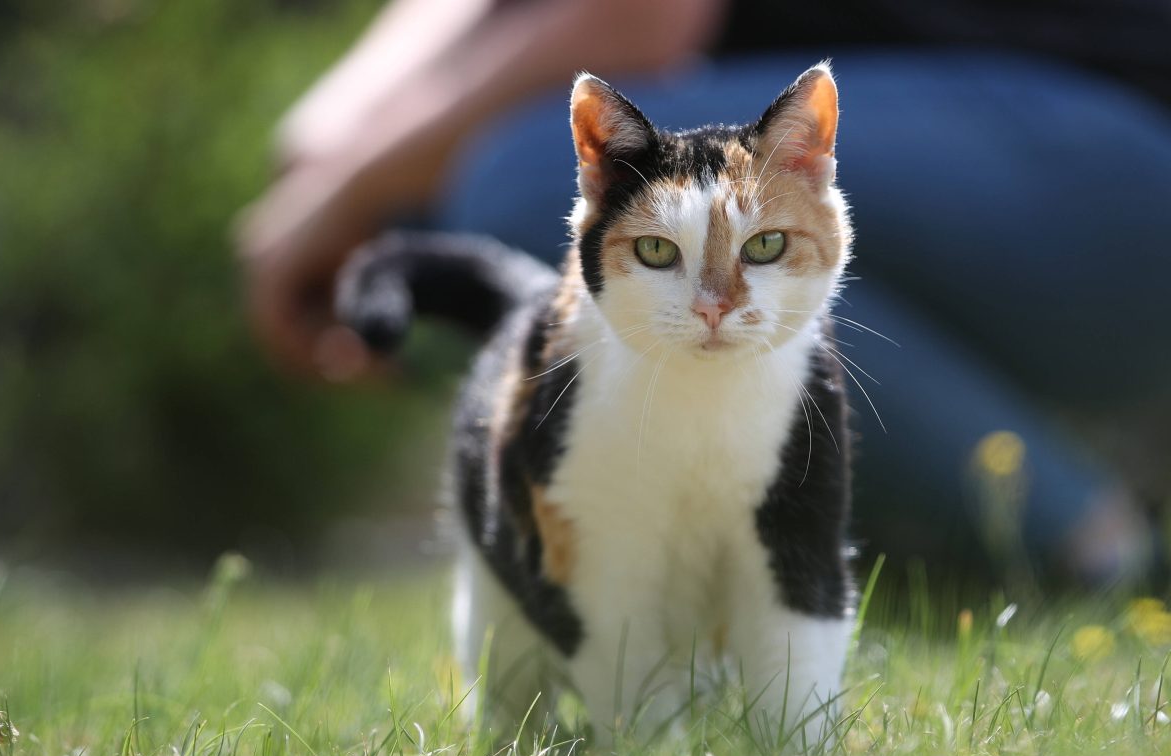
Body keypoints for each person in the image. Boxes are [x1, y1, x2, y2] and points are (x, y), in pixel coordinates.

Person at [237, 0, 1171, 585]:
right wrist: (334, 152)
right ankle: (877, 553)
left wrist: (351, 189)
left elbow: (636, 21)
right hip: (1039, 164)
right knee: (439, 210)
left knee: (535, 184)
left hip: (1117, 158)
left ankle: (1090, 545)